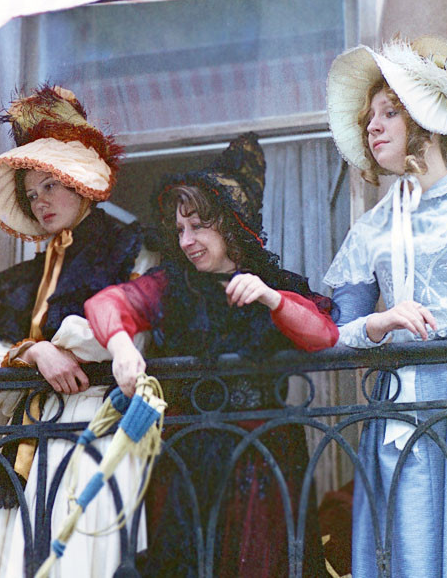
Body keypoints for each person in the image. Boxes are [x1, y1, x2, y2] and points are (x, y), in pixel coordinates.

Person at [84, 133, 339, 577]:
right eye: (181, 230)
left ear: (230, 224)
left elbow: (323, 335)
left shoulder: (275, 284)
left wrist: (271, 298)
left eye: (199, 226)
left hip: (263, 459)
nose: (187, 241)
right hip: (187, 459)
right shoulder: (171, 284)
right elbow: (105, 304)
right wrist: (121, 347)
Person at [323, 36, 447, 577]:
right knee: (414, 553)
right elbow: (333, 336)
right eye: (369, 119)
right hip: (404, 414)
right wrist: (377, 324)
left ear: (425, 119)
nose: (372, 127)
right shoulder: (371, 229)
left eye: (389, 112)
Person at [0, 85, 157, 578]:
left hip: (93, 419)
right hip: (30, 432)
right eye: (31, 194)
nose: (41, 202)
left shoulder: (126, 248)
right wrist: (36, 352)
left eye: (50, 185)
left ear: (79, 183)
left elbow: (124, 335)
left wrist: (59, 344)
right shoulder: (28, 276)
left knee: (81, 554)